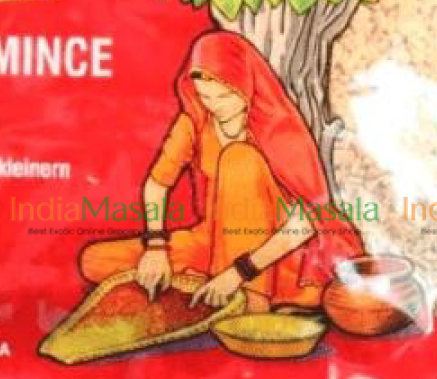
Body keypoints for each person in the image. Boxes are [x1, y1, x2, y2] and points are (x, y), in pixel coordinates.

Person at [79, 31, 364, 311]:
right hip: (214, 240)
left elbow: (306, 221)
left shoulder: (278, 128)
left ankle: (250, 301)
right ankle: (210, 283)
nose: (215, 106)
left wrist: (240, 272)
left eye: (225, 96)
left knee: (238, 158)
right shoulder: (196, 120)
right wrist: (155, 247)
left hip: (275, 256)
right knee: (96, 261)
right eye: (205, 96)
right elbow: (157, 185)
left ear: (247, 83)